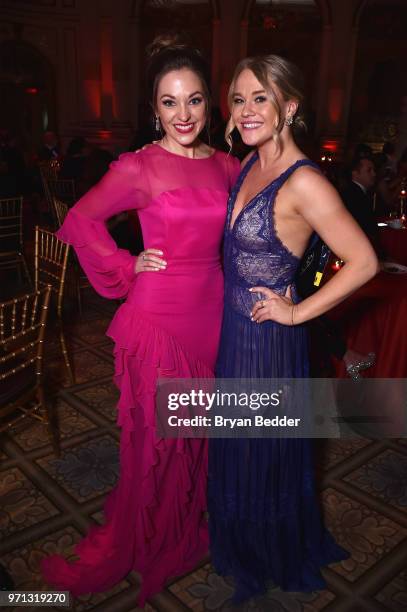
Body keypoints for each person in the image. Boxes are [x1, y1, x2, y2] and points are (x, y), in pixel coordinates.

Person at [41, 36, 240, 606]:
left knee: (196, 436)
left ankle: (181, 525)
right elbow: (80, 219)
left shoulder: (228, 167)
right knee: (155, 440)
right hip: (156, 321)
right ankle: (149, 535)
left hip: (213, 320)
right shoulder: (140, 166)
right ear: (154, 108)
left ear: (209, 105)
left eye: (195, 100)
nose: (183, 115)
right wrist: (128, 263)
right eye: (170, 102)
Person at [208, 55, 378, 603]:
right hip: (236, 331)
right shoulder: (248, 162)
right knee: (238, 443)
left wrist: (297, 312)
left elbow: (364, 261)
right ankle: (242, 541)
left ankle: (268, 550)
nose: (249, 108)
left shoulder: (305, 180)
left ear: (290, 106)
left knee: (262, 450)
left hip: (268, 340)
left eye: (262, 97)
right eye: (239, 98)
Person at [340, 156, 378, 247]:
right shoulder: (354, 195)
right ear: (355, 174)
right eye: (369, 170)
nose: (374, 174)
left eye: (373, 170)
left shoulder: (357, 192)